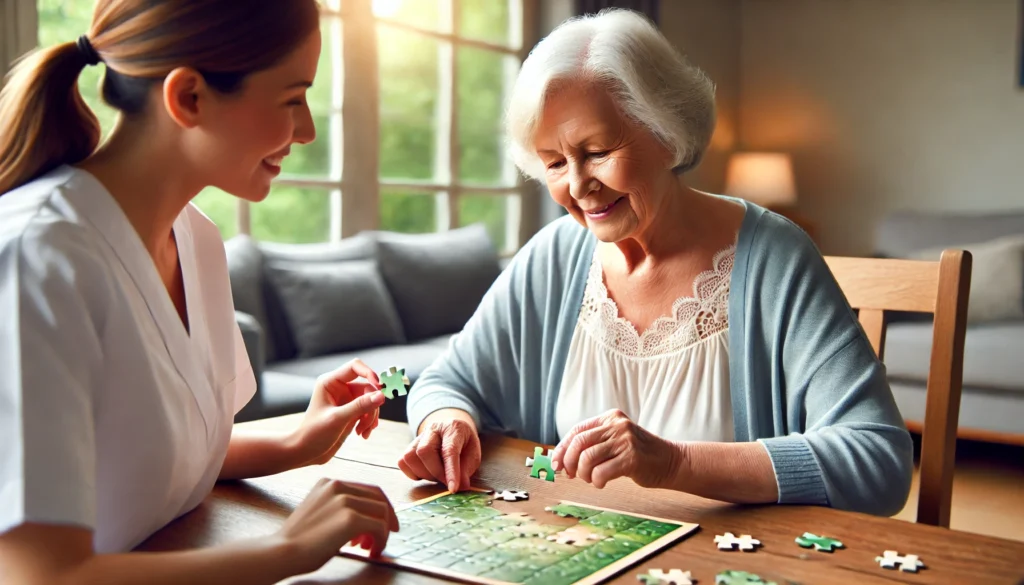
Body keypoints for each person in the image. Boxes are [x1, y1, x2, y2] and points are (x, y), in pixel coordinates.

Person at [400, 8, 914, 517]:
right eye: (555, 163)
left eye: (598, 151)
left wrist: (673, 462)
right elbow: (448, 382)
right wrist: (448, 421)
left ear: (666, 132)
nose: (578, 186)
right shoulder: (553, 257)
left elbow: (878, 460)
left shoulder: (775, 260)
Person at [0, 1, 399, 583]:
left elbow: (161, 459)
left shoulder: (196, 238)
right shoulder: (36, 259)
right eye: (292, 98)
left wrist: (296, 440)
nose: (308, 130)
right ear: (188, 97)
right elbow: (39, 575)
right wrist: (287, 550)